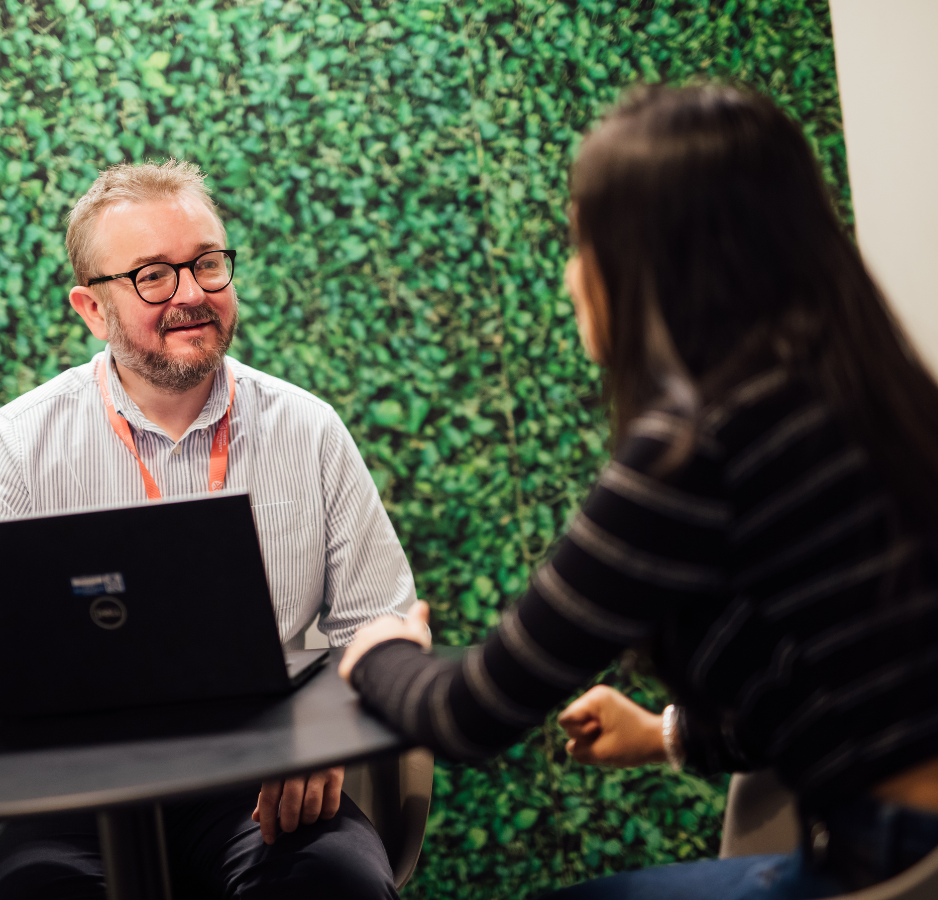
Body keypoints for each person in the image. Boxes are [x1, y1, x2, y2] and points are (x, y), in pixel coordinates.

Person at [339, 83, 938, 899]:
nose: (569, 274)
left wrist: (379, 654)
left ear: (651, 259)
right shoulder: (868, 393)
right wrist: (666, 734)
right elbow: (841, 682)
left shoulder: (697, 448)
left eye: (582, 242)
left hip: (893, 858)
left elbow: (471, 714)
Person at [0, 160, 415, 900]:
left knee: (335, 885)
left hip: (262, 782)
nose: (191, 294)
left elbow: (382, 624)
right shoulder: (24, 440)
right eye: (153, 276)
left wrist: (328, 737)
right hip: (69, 792)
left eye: (208, 265)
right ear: (91, 309)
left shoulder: (307, 429)